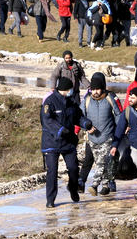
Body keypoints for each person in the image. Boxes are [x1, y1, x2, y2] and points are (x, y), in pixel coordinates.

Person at [41, 77, 94, 208]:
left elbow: (78, 117)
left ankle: (73, 188)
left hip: (68, 142)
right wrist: (60, 130)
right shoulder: (50, 102)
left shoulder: (71, 102)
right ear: (65, 89)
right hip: (52, 142)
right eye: (70, 89)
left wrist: (85, 123)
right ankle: (50, 199)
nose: (72, 91)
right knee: (52, 171)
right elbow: (47, 121)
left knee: (74, 168)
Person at [80, 72, 121, 196]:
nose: (95, 92)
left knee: (103, 161)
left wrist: (120, 132)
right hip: (92, 138)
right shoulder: (86, 100)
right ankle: (105, 185)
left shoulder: (111, 97)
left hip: (107, 136)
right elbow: (80, 116)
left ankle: (94, 185)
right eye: (93, 89)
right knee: (98, 161)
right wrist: (85, 126)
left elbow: (119, 115)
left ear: (103, 87)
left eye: (97, 89)